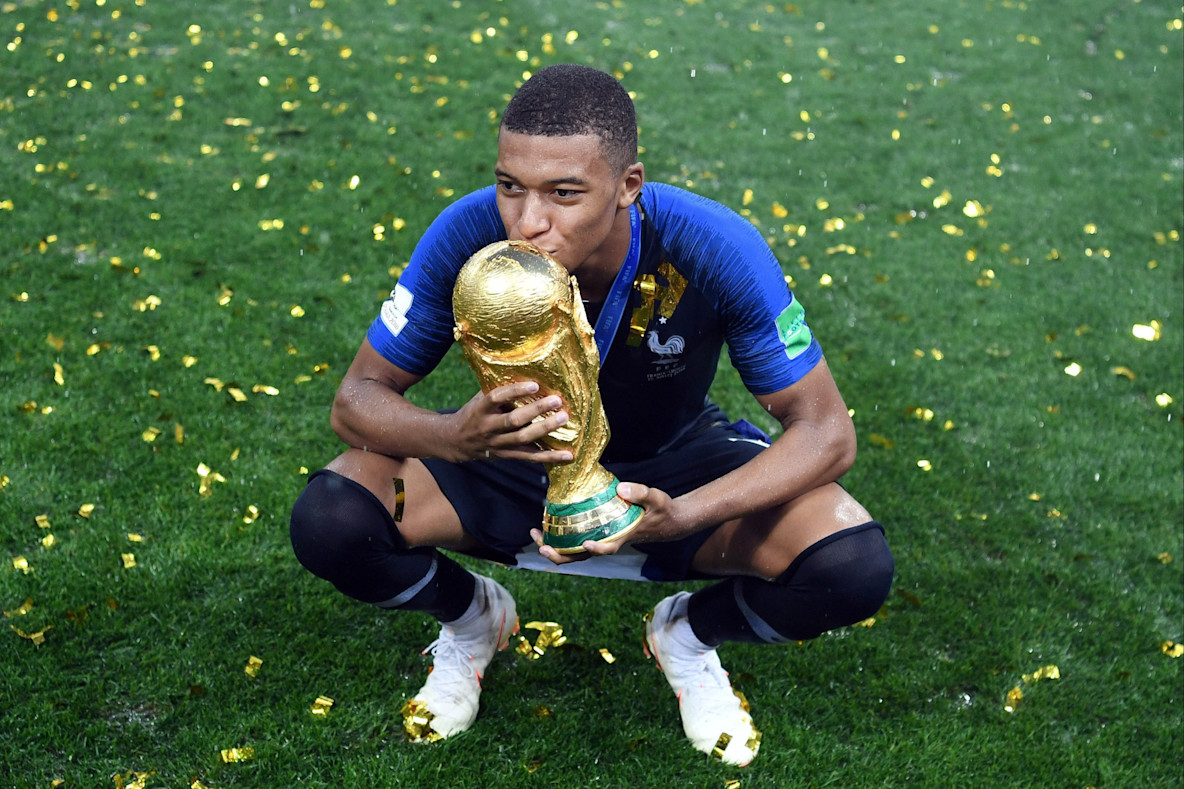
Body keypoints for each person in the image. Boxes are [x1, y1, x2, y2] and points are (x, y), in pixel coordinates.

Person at [289, 63, 894, 766]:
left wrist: (688, 512)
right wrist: (452, 436)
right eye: (510, 184)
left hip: (675, 463)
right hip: (510, 462)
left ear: (627, 186)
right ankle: (472, 617)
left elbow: (826, 431)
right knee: (332, 517)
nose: (528, 220)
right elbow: (356, 398)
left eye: (565, 193)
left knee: (852, 563)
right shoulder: (468, 233)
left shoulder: (710, 244)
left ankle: (688, 635)